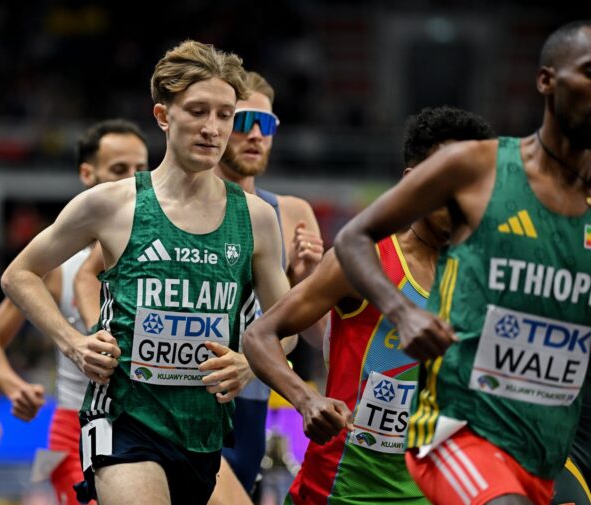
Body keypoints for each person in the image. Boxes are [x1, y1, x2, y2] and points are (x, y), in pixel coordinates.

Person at [0, 40, 292, 505]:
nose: (212, 128)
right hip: (123, 419)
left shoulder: (256, 218)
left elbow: (285, 324)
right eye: (197, 111)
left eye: (224, 115)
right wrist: (72, 342)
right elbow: (19, 274)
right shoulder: (112, 204)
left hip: (201, 427)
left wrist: (248, 362)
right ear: (163, 116)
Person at [332, 20, 591, 505]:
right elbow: (353, 237)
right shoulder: (478, 168)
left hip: (547, 448)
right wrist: (402, 312)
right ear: (547, 80)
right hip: (457, 429)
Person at [242, 106, 496, 505]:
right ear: (414, 182)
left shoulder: (483, 278)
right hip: (340, 492)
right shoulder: (364, 261)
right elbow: (259, 335)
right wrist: (306, 399)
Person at [0, 119, 149, 505]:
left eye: (141, 169)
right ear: (88, 174)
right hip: (77, 428)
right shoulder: (58, 266)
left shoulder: (162, 254)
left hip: (149, 426)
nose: (132, 180)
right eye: (119, 169)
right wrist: (14, 388)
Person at [211, 70, 324, 498]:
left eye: (267, 124)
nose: (256, 135)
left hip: (252, 404)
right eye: (244, 121)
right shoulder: (175, 205)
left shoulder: (293, 214)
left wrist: (307, 279)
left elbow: (317, 337)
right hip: (184, 391)